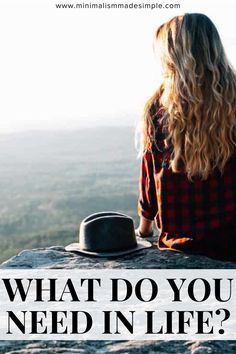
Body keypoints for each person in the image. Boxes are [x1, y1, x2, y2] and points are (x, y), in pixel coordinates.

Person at [136, 13, 236, 261]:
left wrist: (143, 231)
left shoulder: (158, 107)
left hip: (181, 248)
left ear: (171, 56)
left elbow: (150, 182)